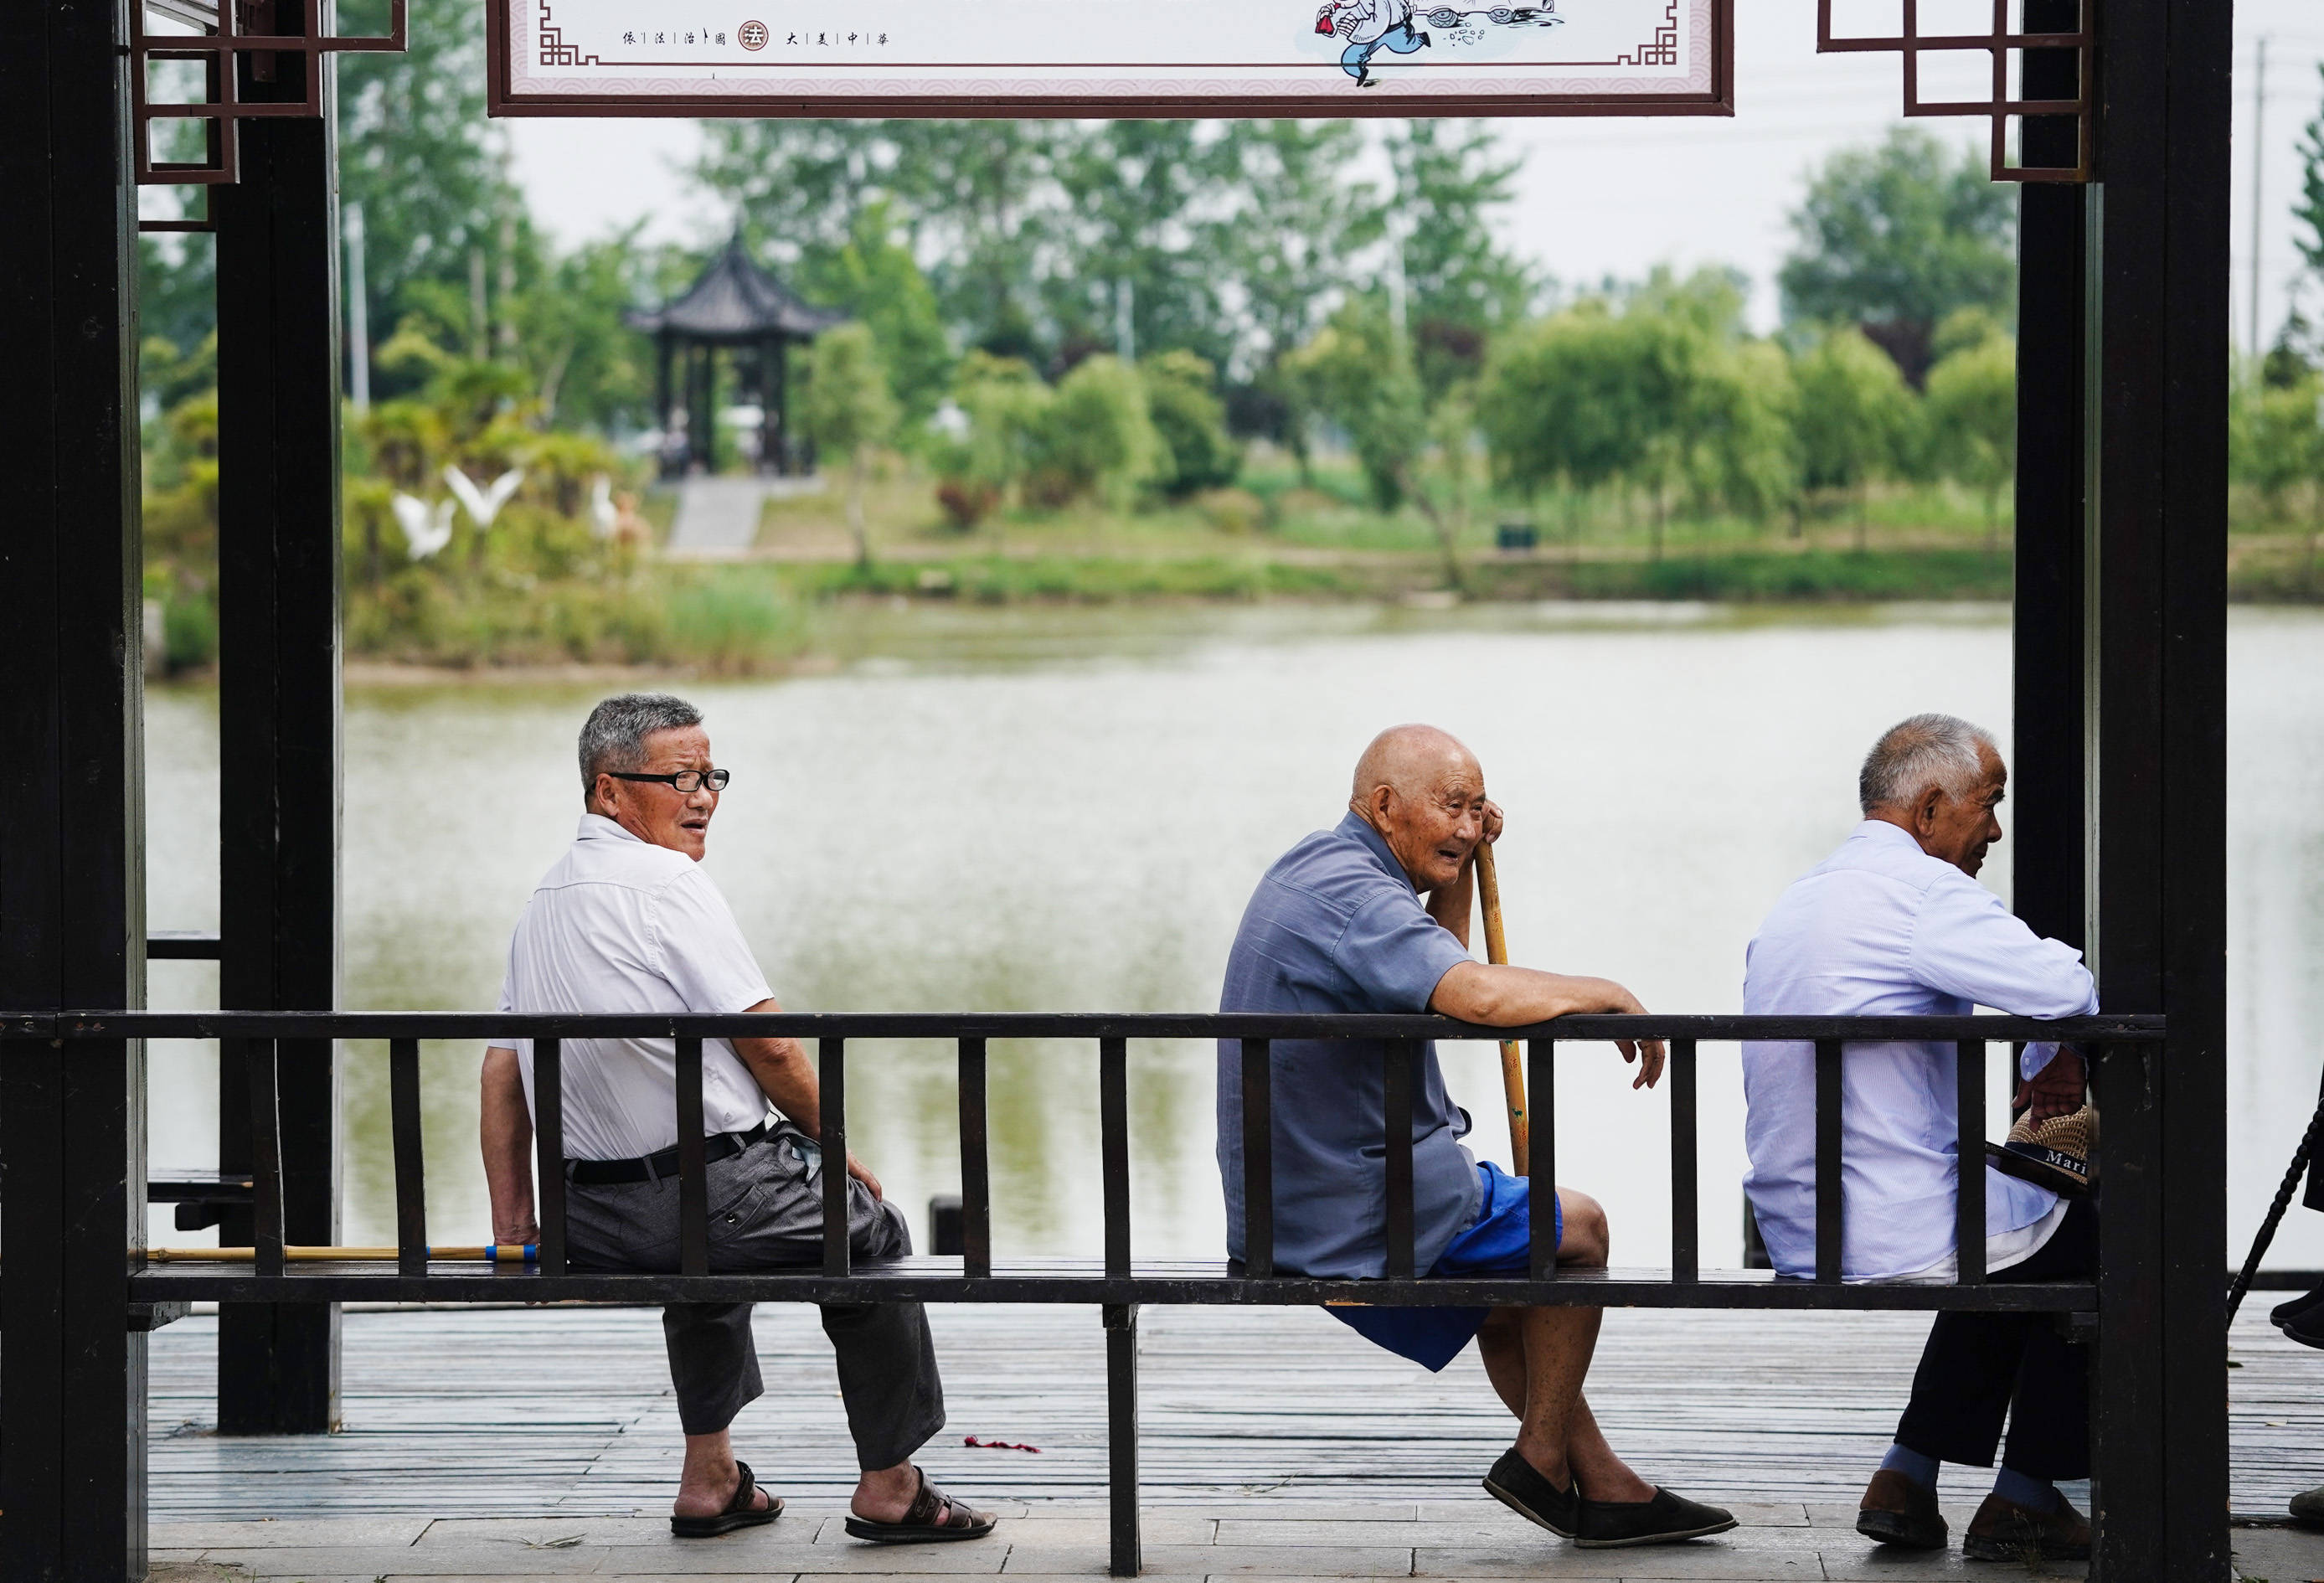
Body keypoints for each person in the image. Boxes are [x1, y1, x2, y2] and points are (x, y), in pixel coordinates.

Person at [479, 693, 995, 1544]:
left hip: (592, 1218)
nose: (704, 796)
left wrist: (515, 1223)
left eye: (712, 776)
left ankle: (709, 1478)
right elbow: (774, 1051)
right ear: (609, 791)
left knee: (708, 1237)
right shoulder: (667, 884)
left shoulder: (546, 899)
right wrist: (840, 1149)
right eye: (678, 778)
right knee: (871, 1232)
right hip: (700, 1201)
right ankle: (892, 1487)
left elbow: (502, 1067)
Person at [1215, 723, 1735, 1549]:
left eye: (1476, 807)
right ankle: (1539, 1453)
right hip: (1350, 1209)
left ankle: (1601, 1484)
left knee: (1513, 1288)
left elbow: (1435, 964)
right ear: (1385, 806)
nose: (1467, 826)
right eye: (1449, 806)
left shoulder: (1332, 870)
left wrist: (1459, 868)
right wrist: (1603, 992)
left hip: (1307, 1198)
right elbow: (1475, 995)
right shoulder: (1352, 898)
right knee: (1582, 1227)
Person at [1741, 713, 2097, 1563]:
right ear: (1932, 808)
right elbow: (2066, 983)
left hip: (1800, 1221)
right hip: (1886, 1219)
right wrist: (2055, 1053)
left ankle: (1907, 1475)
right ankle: (2026, 1496)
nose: (1997, 830)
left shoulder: (1807, 894)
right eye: (1990, 803)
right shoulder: (1924, 895)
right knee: (2098, 1231)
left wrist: (2048, 1048)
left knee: (2011, 1234)